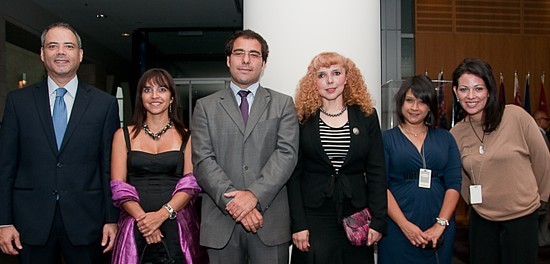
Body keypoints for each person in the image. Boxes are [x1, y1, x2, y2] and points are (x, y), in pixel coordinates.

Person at [0, 22, 119, 263]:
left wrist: (111, 218)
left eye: (68, 46)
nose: (61, 52)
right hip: (29, 222)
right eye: (53, 46)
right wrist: (4, 221)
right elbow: (5, 165)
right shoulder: (18, 102)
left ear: (80, 54)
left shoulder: (103, 104)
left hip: (87, 220)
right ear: (42, 54)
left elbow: (108, 166)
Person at [191, 29, 299, 264]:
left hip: (269, 221)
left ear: (263, 63)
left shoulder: (283, 104)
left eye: (254, 54)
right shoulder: (205, 107)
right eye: (239, 53)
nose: (246, 60)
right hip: (220, 224)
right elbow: (202, 160)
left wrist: (254, 196)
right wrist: (234, 203)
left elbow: (286, 155)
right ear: (229, 60)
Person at [287, 51, 387, 264]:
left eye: (336, 73)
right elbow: (294, 175)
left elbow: (377, 171)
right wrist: (298, 224)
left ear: (347, 77)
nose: (330, 81)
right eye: (321, 75)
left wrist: (378, 221)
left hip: (356, 216)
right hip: (314, 217)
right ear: (313, 82)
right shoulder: (302, 118)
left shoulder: (367, 115)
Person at [450, 58, 550, 264]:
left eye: (478, 88)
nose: (471, 96)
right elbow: (458, 176)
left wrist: (540, 200)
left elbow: (543, 160)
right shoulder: (456, 133)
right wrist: (475, 202)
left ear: (489, 90)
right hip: (481, 220)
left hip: (523, 217)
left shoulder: (516, 117)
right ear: (455, 92)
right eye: (464, 89)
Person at [110, 68, 208, 263]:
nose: (154, 96)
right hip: (135, 226)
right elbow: (118, 187)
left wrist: (161, 216)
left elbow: (190, 185)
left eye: (162, 89)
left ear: (172, 97)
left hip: (177, 227)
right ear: (141, 97)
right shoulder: (122, 135)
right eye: (147, 90)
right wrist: (145, 221)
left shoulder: (188, 136)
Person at [377, 75, 462, 264]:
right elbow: (380, 186)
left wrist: (441, 224)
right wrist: (404, 225)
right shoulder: (385, 139)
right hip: (397, 226)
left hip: (440, 224)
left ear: (430, 106)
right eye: (410, 100)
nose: (415, 108)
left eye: (422, 102)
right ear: (401, 102)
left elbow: (454, 184)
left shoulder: (445, 138)